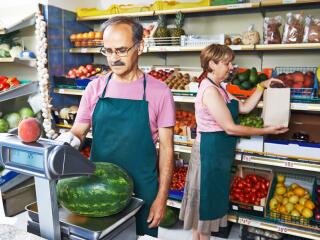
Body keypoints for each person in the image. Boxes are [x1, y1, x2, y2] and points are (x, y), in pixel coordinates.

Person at [57, 16, 175, 237]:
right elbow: (78, 131)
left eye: (121, 50)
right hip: (97, 187)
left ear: (139, 47)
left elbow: (167, 149)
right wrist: (67, 141)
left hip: (142, 188)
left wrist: (162, 197)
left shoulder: (160, 92)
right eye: (108, 51)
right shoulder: (95, 88)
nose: (114, 58)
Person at [179, 44, 288, 240]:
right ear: (212, 64)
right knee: (206, 209)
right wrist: (265, 131)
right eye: (226, 63)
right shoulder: (209, 91)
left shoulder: (220, 88)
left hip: (218, 153)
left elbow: (245, 108)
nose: (231, 67)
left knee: (204, 209)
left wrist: (261, 86)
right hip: (208, 154)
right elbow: (230, 127)